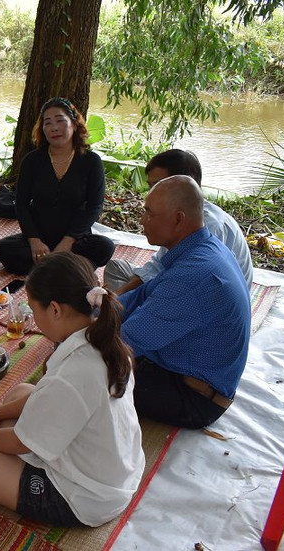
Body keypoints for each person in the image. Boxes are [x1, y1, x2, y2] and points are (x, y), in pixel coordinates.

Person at [0, 252, 144, 527]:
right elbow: (47, 400)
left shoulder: (73, 376)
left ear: (55, 309)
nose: (33, 318)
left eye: (34, 310)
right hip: (108, 471)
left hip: (84, 498)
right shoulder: (102, 340)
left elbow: (20, 442)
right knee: (23, 390)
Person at [119, 176, 251, 429]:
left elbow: (122, 342)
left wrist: (74, 339)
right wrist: (102, 307)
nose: (142, 221)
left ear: (179, 219)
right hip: (182, 370)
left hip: (193, 400)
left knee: (83, 371)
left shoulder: (193, 277)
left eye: (149, 213)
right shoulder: (201, 247)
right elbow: (142, 295)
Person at [104, 148, 253, 294]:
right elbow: (159, 265)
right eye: (150, 187)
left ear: (183, 184)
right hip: (177, 281)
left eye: (158, 185)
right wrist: (118, 297)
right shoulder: (178, 217)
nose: (151, 193)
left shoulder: (210, 227)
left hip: (205, 298)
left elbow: (189, 284)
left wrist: (125, 300)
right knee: (116, 268)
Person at [0, 97, 115, 275]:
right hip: (40, 239)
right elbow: (21, 204)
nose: (54, 128)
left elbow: (95, 206)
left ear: (74, 124)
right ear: (42, 129)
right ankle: (67, 269)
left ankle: (48, 268)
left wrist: (68, 241)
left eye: (60, 121)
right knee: (3, 249)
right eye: (47, 123)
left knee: (105, 247)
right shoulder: (32, 160)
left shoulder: (90, 161)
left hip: (75, 240)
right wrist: (34, 240)